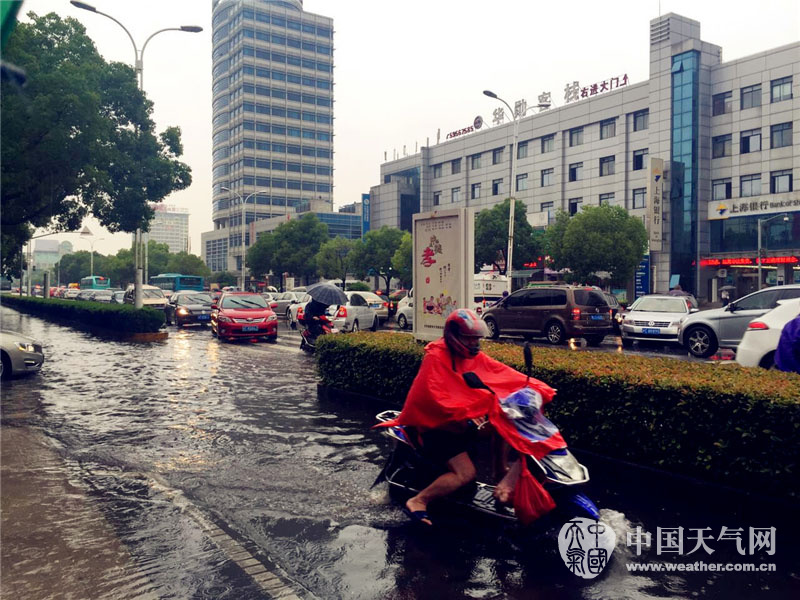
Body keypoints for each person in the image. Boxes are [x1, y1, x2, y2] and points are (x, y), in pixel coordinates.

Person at [377, 309, 564, 526]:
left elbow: (500, 374)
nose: (474, 343)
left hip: (460, 425)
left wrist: (536, 388)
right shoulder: (435, 357)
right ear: (453, 335)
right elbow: (432, 397)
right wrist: (466, 412)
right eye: (469, 338)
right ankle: (419, 500)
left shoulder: (472, 357)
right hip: (435, 429)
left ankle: (499, 472)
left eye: (476, 338)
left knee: (503, 423)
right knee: (465, 474)